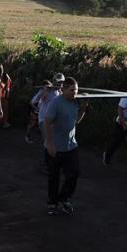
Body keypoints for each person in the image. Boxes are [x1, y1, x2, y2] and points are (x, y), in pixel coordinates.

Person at [44, 77, 88, 215]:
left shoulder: (75, 102)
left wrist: (83, 108)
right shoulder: (55, 103)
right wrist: (49, 143)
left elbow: (76, 121)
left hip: (71, 145)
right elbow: (47, 122)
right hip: (55, 146)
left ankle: (65, 198)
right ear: (63, 89)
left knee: (74, 173)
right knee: (54, 177)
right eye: (72, 90)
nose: (75, 93)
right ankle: (52, 203)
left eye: (76, 90)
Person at [0, 63, 12, 128]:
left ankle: (4, 123)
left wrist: (7, 92)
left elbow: (8, 84)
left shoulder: (4, 75)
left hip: (3, 95)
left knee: (5, 109)